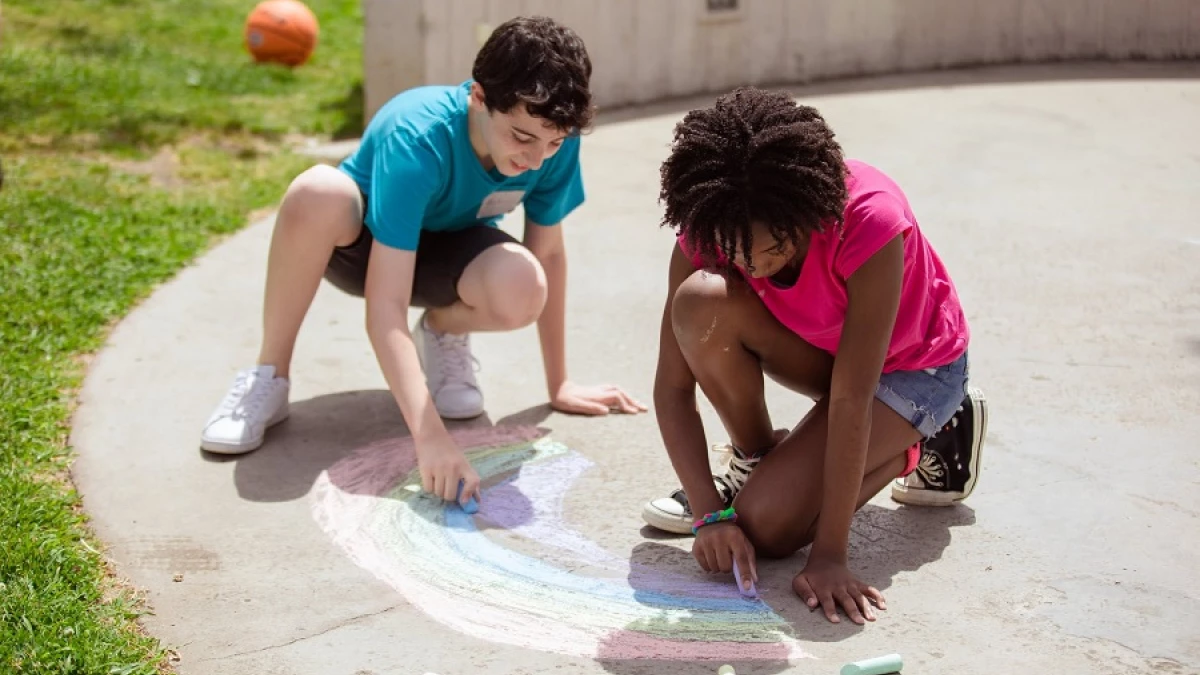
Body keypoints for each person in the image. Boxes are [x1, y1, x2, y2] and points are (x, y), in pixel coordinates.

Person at [200, 16, 646, 505]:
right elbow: (384, 308)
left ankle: (443, 331)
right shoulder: (417, 134)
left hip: (451, 256)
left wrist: (559, 383)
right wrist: (430, 437)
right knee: (316, 192)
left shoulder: (551, 134)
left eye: (553, 142)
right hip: (364, 248)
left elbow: (549, 253)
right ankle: (269, 376)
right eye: (522, 137)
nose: (537, 159)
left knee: (524, 284)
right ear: (479, 96)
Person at [640, 87, 987, 625]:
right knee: (701, 303)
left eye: (773, 252)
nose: (751, 268)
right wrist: (710, 514)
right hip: (828, 353)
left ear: (805, 214)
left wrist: (830, 556)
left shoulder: (869, 219)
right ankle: (757, 458)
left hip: (914, 370)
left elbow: (851, 398)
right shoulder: (718, 223)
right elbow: (672, 386)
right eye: (736, 254)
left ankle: (925, 438)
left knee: (770, 527)